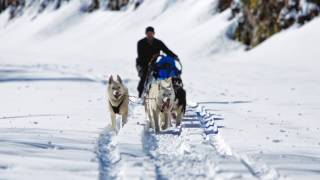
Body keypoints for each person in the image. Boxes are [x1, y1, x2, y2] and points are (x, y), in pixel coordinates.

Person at [136, 26, 179, 98]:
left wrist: (175, 56)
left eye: (151, 33)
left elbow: (166, 50)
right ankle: (140, 95)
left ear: (154, 33)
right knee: (144, 77)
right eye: (148, 33)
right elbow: (141, 56)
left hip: (154, 63)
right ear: (146, 34)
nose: (150, 35)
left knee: (163, 74)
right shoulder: (140, 43)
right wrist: (150, 61)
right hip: (142, 63)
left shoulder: (158, 42)